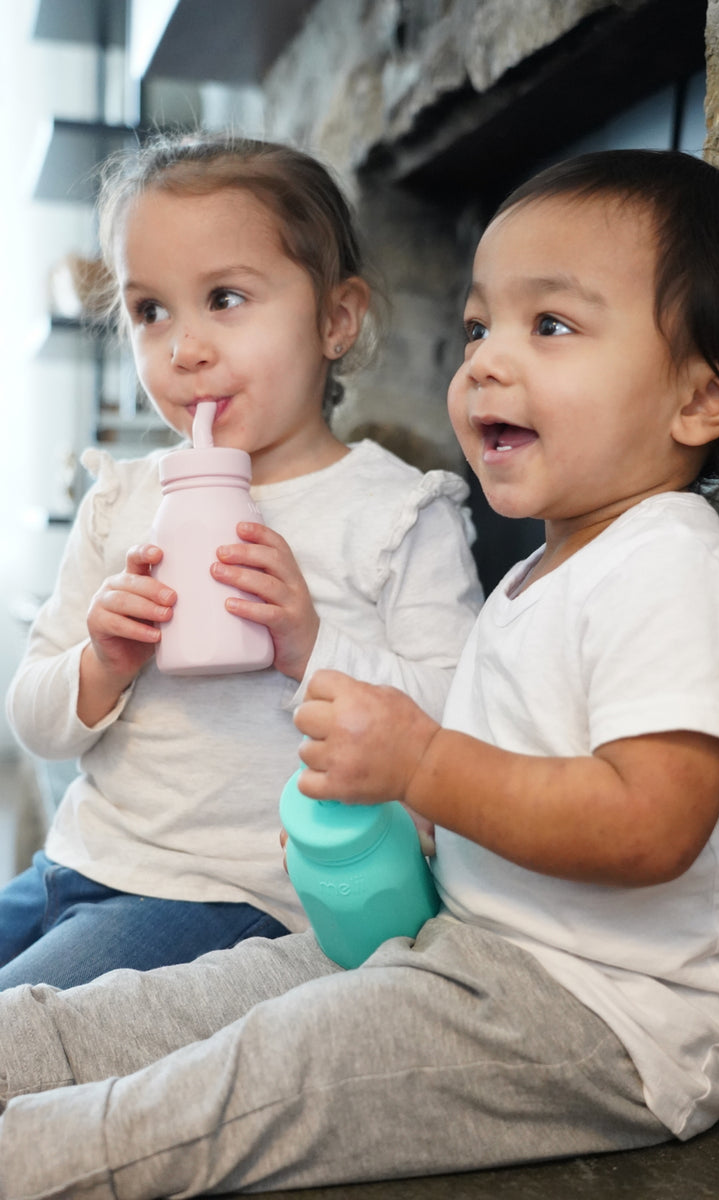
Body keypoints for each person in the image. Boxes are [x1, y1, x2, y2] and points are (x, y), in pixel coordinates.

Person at [0, 148, 719, 1199]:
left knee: (249, 1079)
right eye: (478, 328)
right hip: (463, 946)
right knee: (160, 1009)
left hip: (609, 1015)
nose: (484, 364)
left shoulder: (678, 569)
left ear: (703, 396)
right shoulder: (544, 576)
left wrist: (418, 763)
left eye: (547, 325)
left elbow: (647, 827)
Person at [0, 133, 482, 991]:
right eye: (151, 311)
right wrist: (100, 665)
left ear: (336, 320)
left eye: (224, 298)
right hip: (76, 863)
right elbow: (33, 719)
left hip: (236, 900)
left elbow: (464, 723)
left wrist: (312, 645)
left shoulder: (393, 512)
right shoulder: (123, 500)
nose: (183, 349)